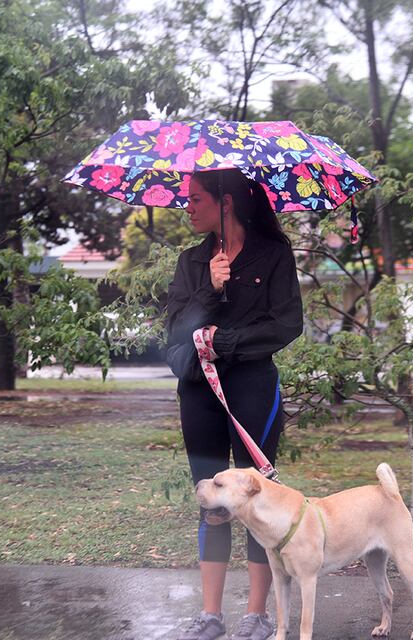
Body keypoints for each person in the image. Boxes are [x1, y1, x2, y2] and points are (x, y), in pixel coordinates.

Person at [166, 168, 303, 640]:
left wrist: (228, 342)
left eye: (196, 199)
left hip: (252, 388)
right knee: (211, 500)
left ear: (225, 203)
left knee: (254, 499)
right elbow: (177, 331)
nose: (187, 207)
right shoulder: (191, 262)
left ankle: (257, 614)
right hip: (198, 393)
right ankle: (210, 616)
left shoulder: (274, 255)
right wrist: (211, 287)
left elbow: (287, 324)